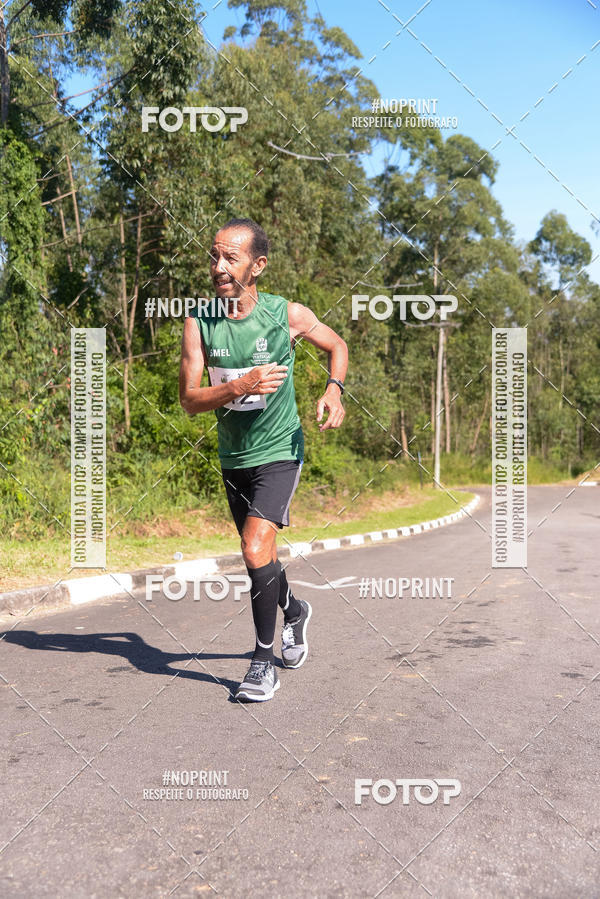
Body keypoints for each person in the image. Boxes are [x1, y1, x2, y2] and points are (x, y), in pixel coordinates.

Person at [179, 217, 347, 701]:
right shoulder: (198, 321)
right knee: (263, 555)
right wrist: (236, 386)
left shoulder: (287, 315)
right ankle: (294, 612)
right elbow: (190, 400)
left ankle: (261, 662)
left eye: (230, 257)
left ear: (258, 265)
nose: (218, 266)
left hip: (279, 452)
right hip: (234, 457)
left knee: (254, 548)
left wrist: (334, 390)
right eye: (214, 256)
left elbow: (337, 345)